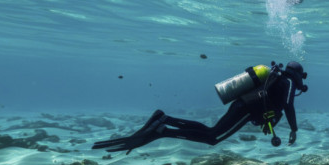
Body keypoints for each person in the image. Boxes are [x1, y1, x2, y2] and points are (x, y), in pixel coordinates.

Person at [92, 61, 308, 154]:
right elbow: (288, 105)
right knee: (213, 137)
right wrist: (294, 129)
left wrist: (269, 123)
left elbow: (272, 107)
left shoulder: (276, 79)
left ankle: (165, 121)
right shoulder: (287, 82)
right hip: (247, 108)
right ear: (297, 75)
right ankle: (163, 128)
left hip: (242, 104)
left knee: (211, 132)